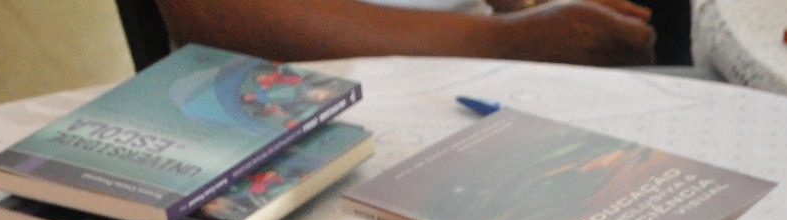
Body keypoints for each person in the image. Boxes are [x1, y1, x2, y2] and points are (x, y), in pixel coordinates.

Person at [150, 0, 666, 69]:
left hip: (482, 67)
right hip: (284, 98)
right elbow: (212, 11)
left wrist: (534, 8)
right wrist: (506, 40)